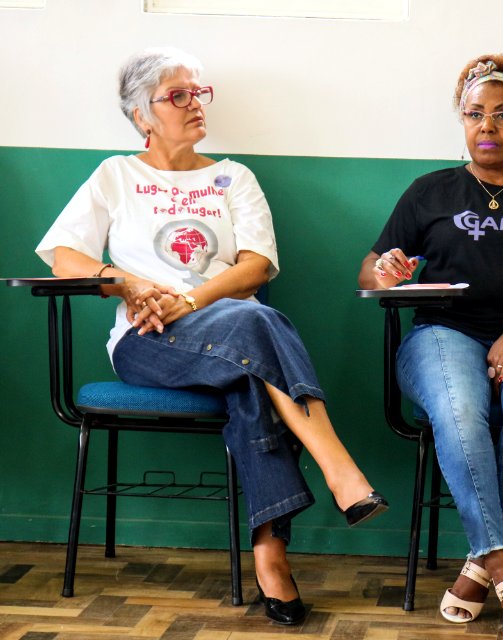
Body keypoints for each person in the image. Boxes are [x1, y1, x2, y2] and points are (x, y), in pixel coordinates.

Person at [35, 47, 387, 626]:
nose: (194, 103)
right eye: (178, 95)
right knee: (259, 324)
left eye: (199, 92)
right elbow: (63, 255)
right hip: (146, 342)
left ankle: (271, 554)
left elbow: (256, 267)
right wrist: (124, 281)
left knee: (251, 361)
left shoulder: (233, 177)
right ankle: (338, 470)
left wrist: (192, 298)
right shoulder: (115, 175)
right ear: (141, 116)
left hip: (226, 332)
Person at [358, 53, 503, 638]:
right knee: (459, 411)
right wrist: (384, 271)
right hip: (442, 334)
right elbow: (370, 271)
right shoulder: (429, 190)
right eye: (474, 113)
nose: (486, 126)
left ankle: (480, 566)